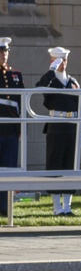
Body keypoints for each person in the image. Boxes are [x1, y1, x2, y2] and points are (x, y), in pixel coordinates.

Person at [36, 47, 81, 216]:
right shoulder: (50, 80)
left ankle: (67, 206)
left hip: (72, 125)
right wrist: (51, 70)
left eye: (64, 60)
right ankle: (57, 207)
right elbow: (39, 87)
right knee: (55, 164)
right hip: (56, 125)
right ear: (52, 61)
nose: (62, 63)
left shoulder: (73, 82)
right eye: (59, 60)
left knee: (70, 166)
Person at [0, 38, 25, 217]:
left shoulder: (15, 75)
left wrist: (21, 125)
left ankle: (4, 207)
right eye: (1, 52)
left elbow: (21, 101)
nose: (4, 55)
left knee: (8, 169)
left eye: (6, 51)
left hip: (10, 128)